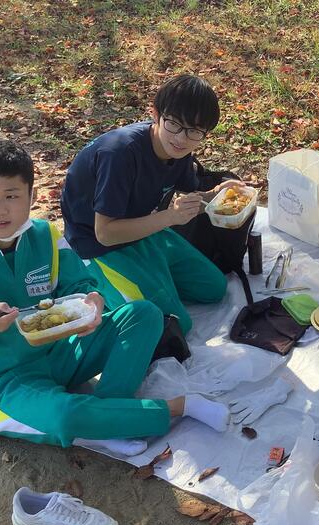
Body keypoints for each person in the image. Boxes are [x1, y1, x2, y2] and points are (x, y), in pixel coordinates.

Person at [0, 140, 230, 453]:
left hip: (61, 353)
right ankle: (177, 408)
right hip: (0, 381)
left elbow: (80, 287)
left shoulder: (45, 234)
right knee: (64, 415)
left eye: (11, 196)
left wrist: (93, 303)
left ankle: (106, 419)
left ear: (32, 196)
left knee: (144, 314)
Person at [60, 74, 242, 334]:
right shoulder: (120, 154)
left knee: (214, 288)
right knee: (175, 325)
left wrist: (215, 196)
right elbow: (105, 233)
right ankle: (96, 281)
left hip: (146, 231)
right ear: (155, 114)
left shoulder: (177, 149)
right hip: (98, 246)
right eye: (174, 124)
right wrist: (169, 218)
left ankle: (155, 282)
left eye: (195, 131)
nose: (182, 138)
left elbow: (189, 202)